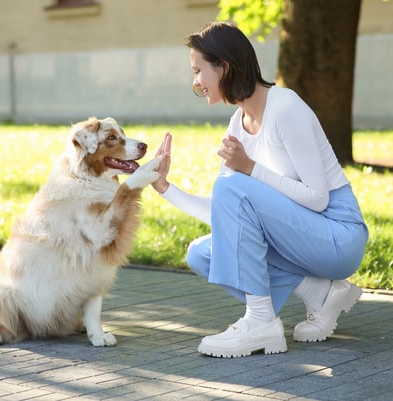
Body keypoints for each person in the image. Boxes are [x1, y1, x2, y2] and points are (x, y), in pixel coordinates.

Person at [151, 21, 369, 358]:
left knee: (233, 185)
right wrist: (166, 188)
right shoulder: (238, 123)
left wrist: (250, 169)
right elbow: (227, 213)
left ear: (224, 66)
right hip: (301, 236)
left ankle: (261, 321)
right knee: (202, 253)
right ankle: (320, 295)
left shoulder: (285, 107)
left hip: (338, 235)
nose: (195, 81)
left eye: (198, 70)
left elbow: (318, 198)